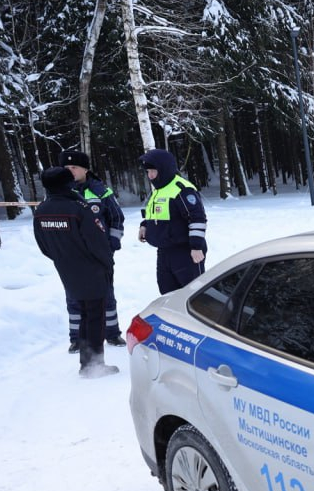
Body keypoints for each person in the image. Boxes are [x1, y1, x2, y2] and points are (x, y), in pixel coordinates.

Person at [33, 166, 118, 378]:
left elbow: (43, 245)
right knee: (95, 316)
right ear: (67, 184)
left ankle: (87, 362)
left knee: (83, 314)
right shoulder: (78, 208)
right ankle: (93, 366)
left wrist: (62, 258)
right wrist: (107, 264)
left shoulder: (41, 210)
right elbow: (97, 242)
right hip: (92, 268)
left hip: (66, 268)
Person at [59, 148, 125, 351]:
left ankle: (112, 334)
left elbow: (116, 217)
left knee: (105, 295)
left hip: (99, 256)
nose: (70, 171)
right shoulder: (59, 193)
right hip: (71, 257)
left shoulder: (100, 191)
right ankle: (77, 339)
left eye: (74, 167)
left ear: (85, 169)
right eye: (66, 167)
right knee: (74, 298)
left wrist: (112, 243)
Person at [138, 148, 207, 293]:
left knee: (193, 295)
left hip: (185, 252)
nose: (150, 176)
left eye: (153, 171)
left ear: (164, 169)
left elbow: (197, 218)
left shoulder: (182, 189)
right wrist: (145, 226)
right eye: (148, 172)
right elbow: (155, 213)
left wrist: (196, 246)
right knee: (167, 294)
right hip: (164, 252)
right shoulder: (159, 190)